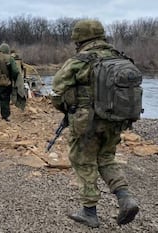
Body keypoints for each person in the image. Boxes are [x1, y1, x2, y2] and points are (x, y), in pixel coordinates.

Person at [50, 19, 139, 228]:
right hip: (116, 120)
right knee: (106, 158)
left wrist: (67, 109)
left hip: (87, 123)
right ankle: (125, 197)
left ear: (80, 39)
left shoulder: (80, 60)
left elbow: (56, 90)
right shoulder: (120, 58)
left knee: (83, 161)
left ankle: (89, 211)